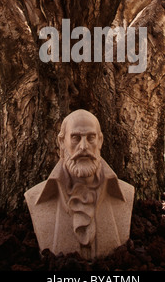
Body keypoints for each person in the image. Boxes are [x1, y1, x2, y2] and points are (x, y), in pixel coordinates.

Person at [24, 109, 134, 259]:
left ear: (100, 141)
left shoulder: (126, 194)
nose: (83, 147)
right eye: (75, 137)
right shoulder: (35, 198)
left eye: (91, 138)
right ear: (62, 142)